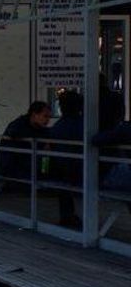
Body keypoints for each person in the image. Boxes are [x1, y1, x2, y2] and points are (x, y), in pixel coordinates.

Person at [47, 91, 84, 230]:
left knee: (63, 181)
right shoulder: (86, 125)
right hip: (82, 170)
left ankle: (67, 215)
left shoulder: (58, 127)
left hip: (62, 171)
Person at [0, 101, 51, 180]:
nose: (48, 120)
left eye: (49, 117)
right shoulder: (19, 125)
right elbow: (13, 132)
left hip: (26, 165)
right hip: (12, 167)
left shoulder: (40, 128)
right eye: (45, 116)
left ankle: (45, 174)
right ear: (34, 114)